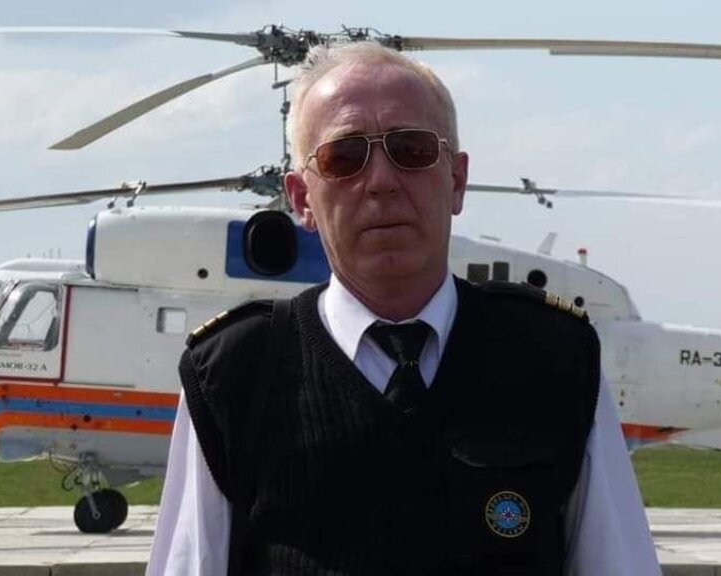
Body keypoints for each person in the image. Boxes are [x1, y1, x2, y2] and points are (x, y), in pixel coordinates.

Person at [147, 42, 659, 575]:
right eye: (344, 158)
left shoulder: (555, 358)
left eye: (411, 150)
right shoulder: (234, 375)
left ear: (457, 180)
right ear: (301, 199)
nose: (381, 181)